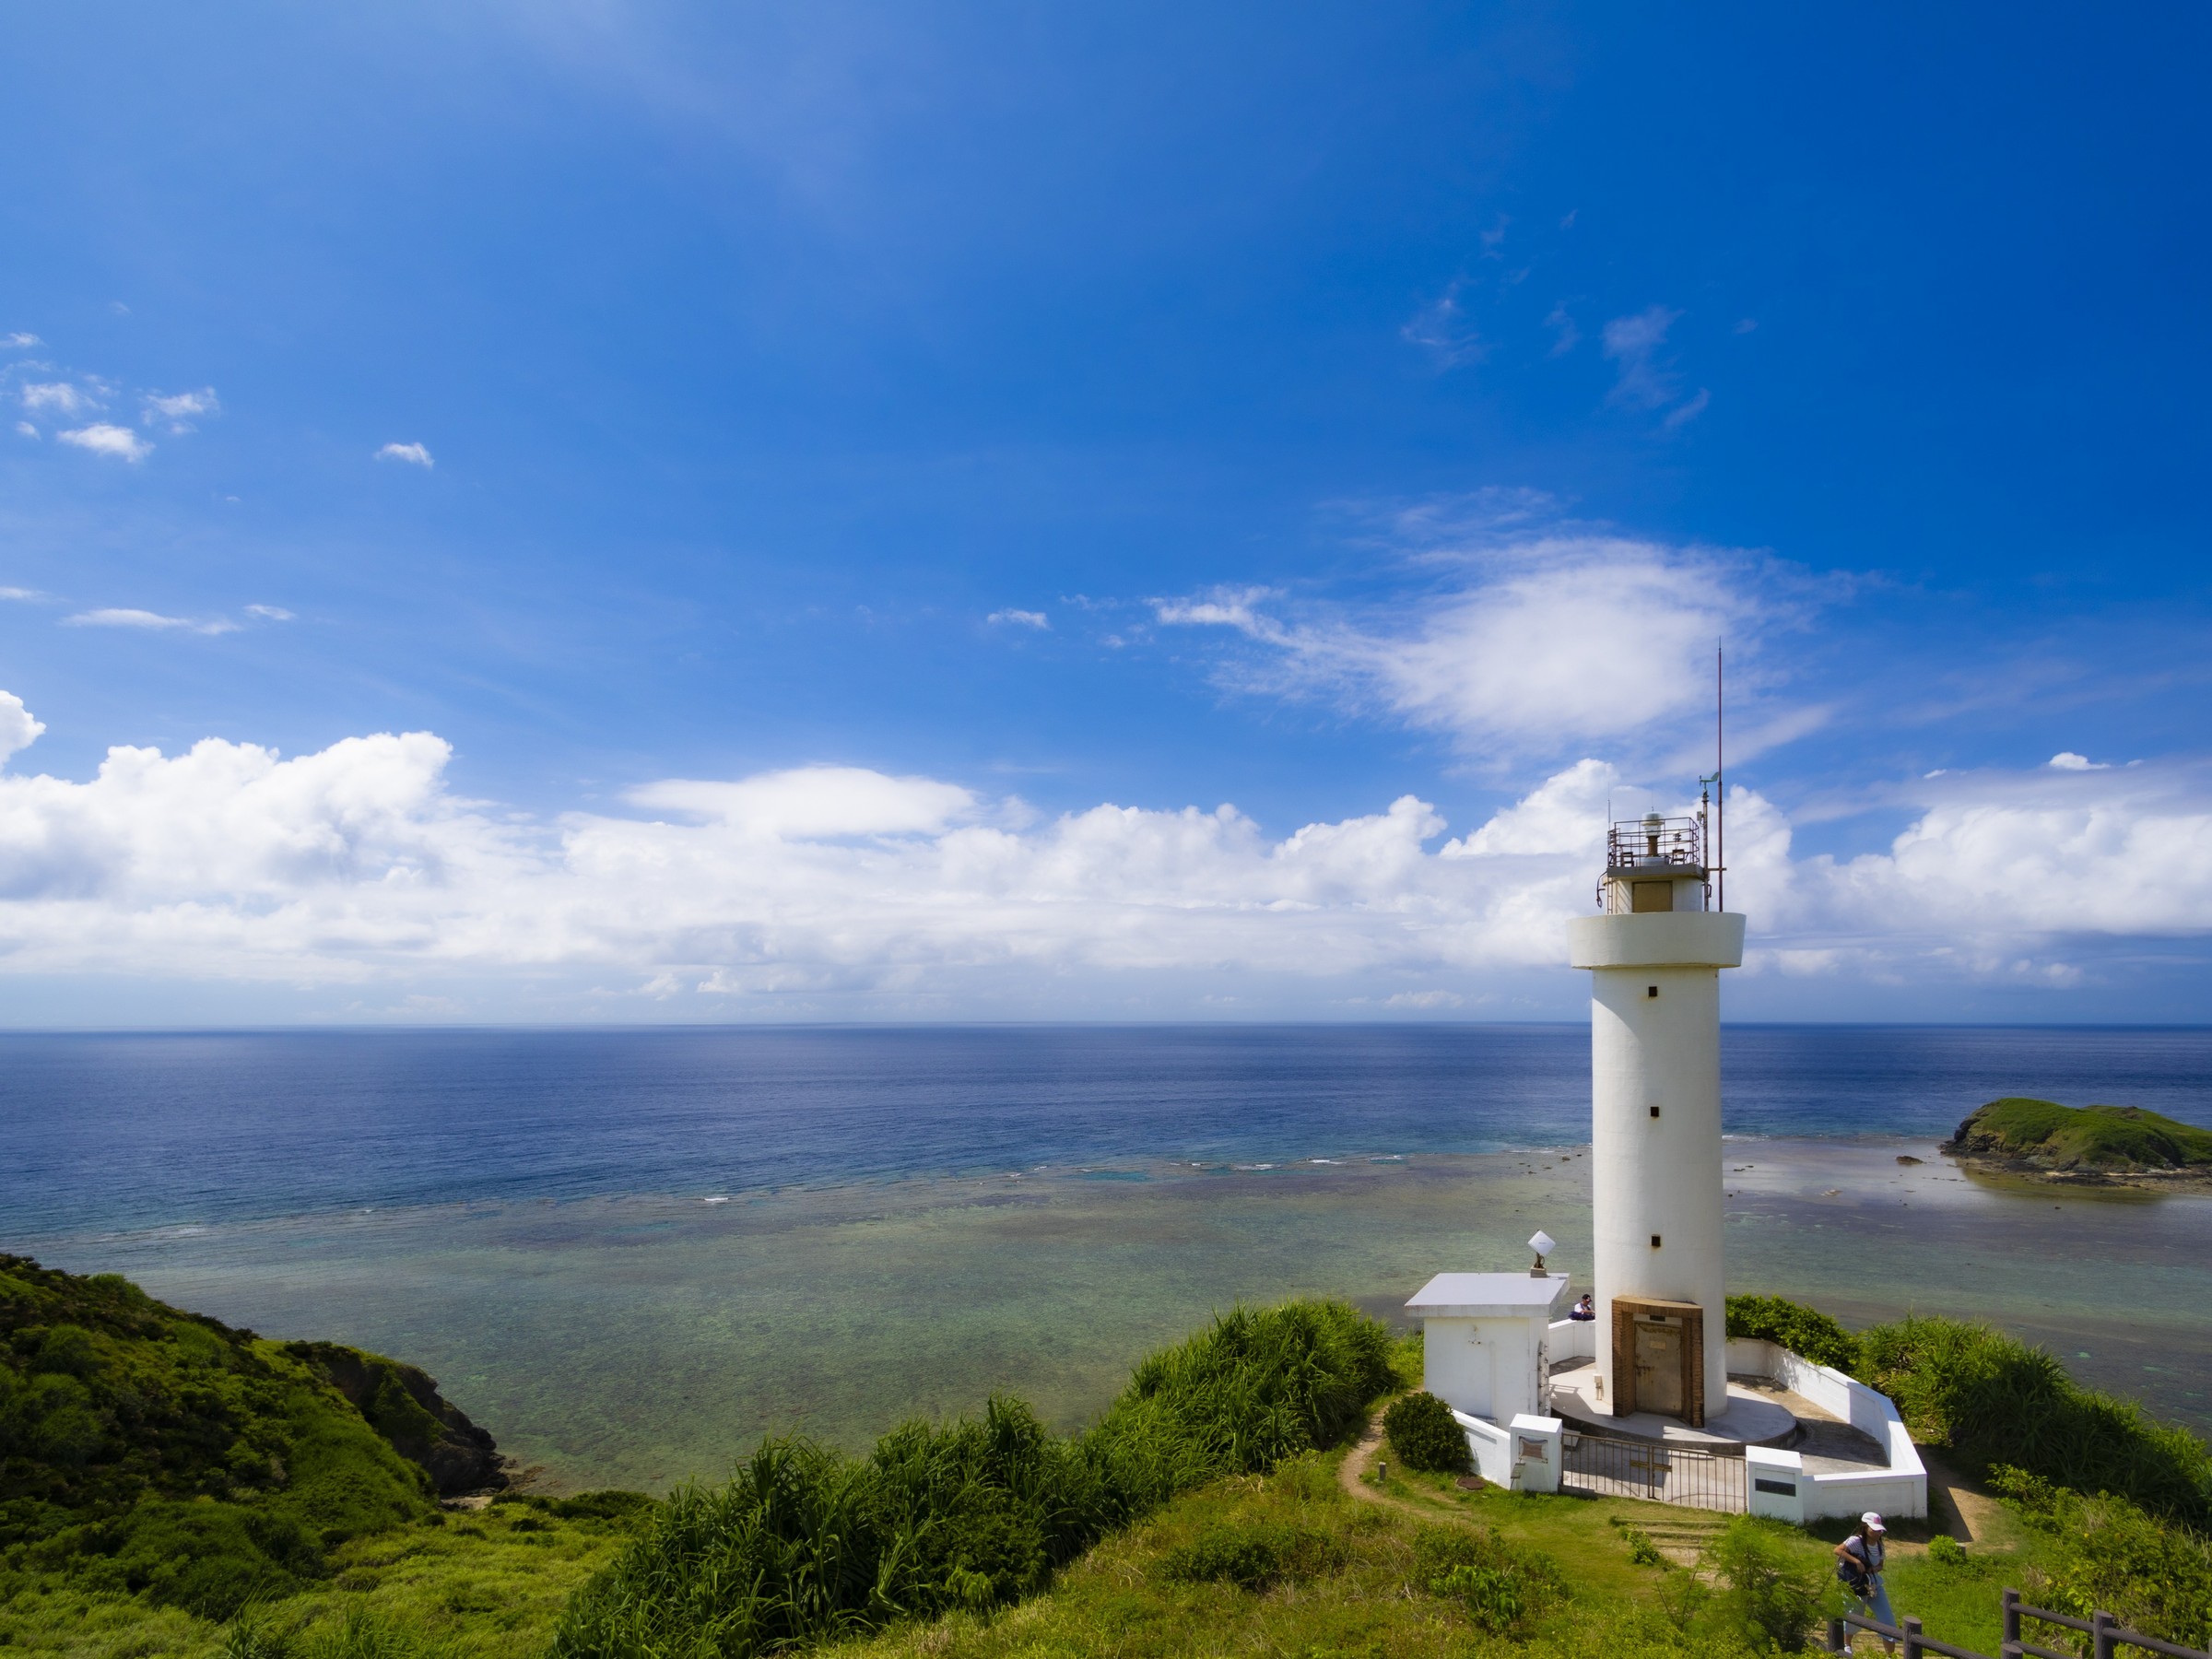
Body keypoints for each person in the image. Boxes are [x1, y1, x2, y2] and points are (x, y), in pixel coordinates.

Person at [1834, 1512, 1895, 1653]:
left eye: (1879, 1530)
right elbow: (1838, 1550)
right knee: (1853, 1614)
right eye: (1874, 1529)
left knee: (1888, 1621)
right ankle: (1847, 1645)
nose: (1877, 1532)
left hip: (1873, 1585)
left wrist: (1873, 1569)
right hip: (1855, 1586)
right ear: (1865, 1527)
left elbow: (1880, 1565)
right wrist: (1856, 1561)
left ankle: (1890, 1655)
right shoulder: (1855, 1541)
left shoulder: (1880, 1545)